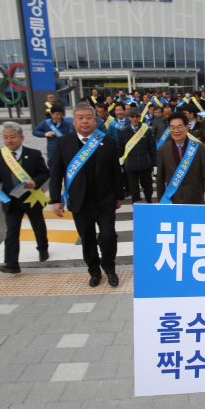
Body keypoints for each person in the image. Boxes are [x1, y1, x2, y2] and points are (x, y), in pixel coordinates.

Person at [49, 103, 124, 287]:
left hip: (105, 200)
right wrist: (56, 200)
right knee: (87, 239)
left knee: (108, 237)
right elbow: (56, 173)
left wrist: (119, 195)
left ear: (95, 120)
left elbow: (116, 171)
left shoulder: (107, 141)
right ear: (73, 121)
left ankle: (110, 269)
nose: (84, 121)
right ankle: (94, 271)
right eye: (80, 118)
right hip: (80, 202)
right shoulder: (63, 143)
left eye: (88, 117)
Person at [0, 122, 49, 274]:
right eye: (6, 137)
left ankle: (42, 248)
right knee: (12, 231)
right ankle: (12, 263)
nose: (9, 140)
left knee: (38, 225)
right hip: (11, 200)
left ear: (21, 138)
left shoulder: (34, 154)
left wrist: (34, 182)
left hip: (31, 198)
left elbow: (45, 173)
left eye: (12, 137)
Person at [156, 111, 205, 204]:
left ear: (187, 127)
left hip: (195, 199)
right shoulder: (163, 149)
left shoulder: (198, 147)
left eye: (179, 126)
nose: (176, 131)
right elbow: (160, 178)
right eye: (172, 127)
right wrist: (161, 201)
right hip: (173, 200)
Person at [117, 107, 157, 203]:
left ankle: (148, 204)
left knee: (148, 188)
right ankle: (137, 209)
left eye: (137, 116)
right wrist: (120, 165)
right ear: (129, 117)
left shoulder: (147, 131)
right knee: (134, 191)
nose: (135, 118)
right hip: (130, 167)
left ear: (140, 117)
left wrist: (155, 165)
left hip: (145, 165)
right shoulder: (122, 132)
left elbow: (152, 150)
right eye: (132, 116)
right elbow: (119, 150)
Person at [32, 104, 71, 168]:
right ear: (51, 114)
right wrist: (44, 134)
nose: (59, 116)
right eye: (57, 114)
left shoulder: (67, 124)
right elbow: (35, 131)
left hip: (64, 153)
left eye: (61, 114)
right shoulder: (46, 123)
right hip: (52, 153)